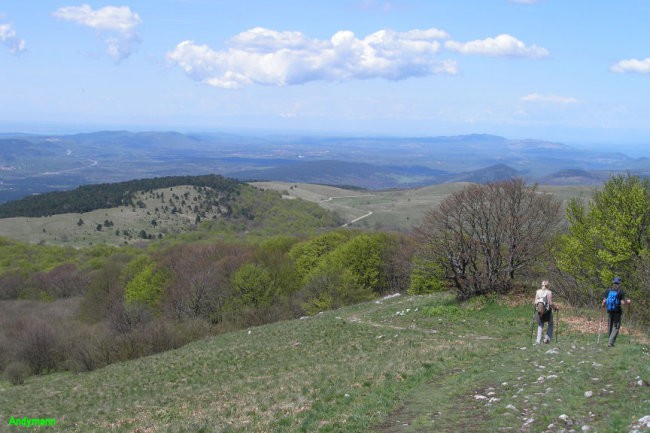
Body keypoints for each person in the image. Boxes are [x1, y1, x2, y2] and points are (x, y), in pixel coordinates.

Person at [601, 276, 632, 347]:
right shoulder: (620, 291)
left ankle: (610, 341)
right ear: (619, 283)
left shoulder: (608, 290)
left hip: (609, 310)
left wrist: (603, 305)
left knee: (609, 325)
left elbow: (604, 301)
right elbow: (623, 303)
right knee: (616, 327)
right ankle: (610, 342)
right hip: (617, 311)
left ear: (613, 282)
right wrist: (628, 302)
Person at [534, 280, 557, 344]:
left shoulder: (538, 292)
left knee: (540, 325)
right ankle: (547, 338)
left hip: (539, 311)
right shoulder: (549, 292)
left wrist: (536, 308)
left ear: (542, 285)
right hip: (547, 311)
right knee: (550, 324)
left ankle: (538, 341)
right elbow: (550, 303)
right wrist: (555, 307)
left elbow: (535, 302)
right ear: (548, 286)